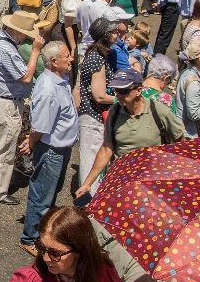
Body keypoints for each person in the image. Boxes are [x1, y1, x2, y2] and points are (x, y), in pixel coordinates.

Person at [76, 69, 186, 199]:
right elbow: (106, 149)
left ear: (138, 90)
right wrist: (87, 184)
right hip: (122, 179)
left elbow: (181, 142)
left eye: (123, 91)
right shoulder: (114, 112)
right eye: (116, 90)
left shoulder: (159, 111)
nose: (118, 95)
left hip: (150, 179)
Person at [18, 42, 79, 256]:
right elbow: (40, 126)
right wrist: (31, 143)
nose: (71, 59)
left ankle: (43, 232)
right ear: (53, 62)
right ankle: (30, 238)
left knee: (50, 194)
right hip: (51, 150)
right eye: (66, 56)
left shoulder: (60, 80)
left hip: (61, 148)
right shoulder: (48, 89)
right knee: (42, 197)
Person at [1, 206, 126, 282]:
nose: (45, 258)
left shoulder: (104, 272)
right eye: (41, 247)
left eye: (55, 253)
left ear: (79, 250)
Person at [0, 12, 43, 205]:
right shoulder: (7, 49)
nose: (26, 37)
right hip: (8, 103)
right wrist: (35, 51)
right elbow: (25, 77)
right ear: (17, 31)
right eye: (25, 33)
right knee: (5, 149)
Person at [76, 18, 119, 197]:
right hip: (92, 117)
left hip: (94, 116)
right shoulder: (96, 59)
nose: (117, 34)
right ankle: (88, 202)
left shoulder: (97, 55)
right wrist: (121, 100)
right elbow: (99, 95)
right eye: (113, 32)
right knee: (91, 162)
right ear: (105, 35)